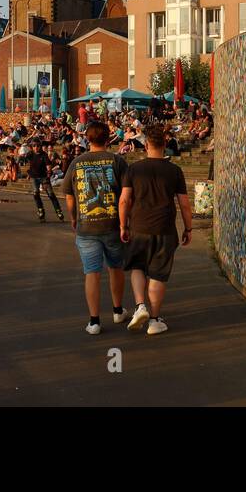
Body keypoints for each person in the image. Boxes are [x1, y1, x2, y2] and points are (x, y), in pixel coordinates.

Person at [120, 123, 192, 336]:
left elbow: (124, 200)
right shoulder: (174, 171)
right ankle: (154, 320)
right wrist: (188, 228)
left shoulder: (134, 169)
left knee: (137, 267)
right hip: (165, 229)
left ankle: (140, 306)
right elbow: (185, 204)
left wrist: (123, 225)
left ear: (146, 145)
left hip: (139, 227)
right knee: (158, 274)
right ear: (165, 144)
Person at [62, 121, 129, 334]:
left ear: (87, 139)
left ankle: (94, 321)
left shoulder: (76, 162)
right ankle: (118, 310)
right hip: (113, 224)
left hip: (86, 226)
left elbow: (69, 196)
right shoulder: (117, 161)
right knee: (116, 268)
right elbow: (126, 195)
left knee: (92, 273)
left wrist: (73, 217)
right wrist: (125, 223)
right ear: (108, 138)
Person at [25, 139, 64, 223]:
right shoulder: (30, 154)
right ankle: (40, 210)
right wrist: (29, 173)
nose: (36, 147)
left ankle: (58, 211)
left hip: (43, 177)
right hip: (34, 177)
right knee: (36, 193)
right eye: (34, 146)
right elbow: (28, 163)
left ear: (41, 146)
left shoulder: (44, 155)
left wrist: (46, 180)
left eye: (38, 146)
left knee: (51, 194)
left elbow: (49, 168)